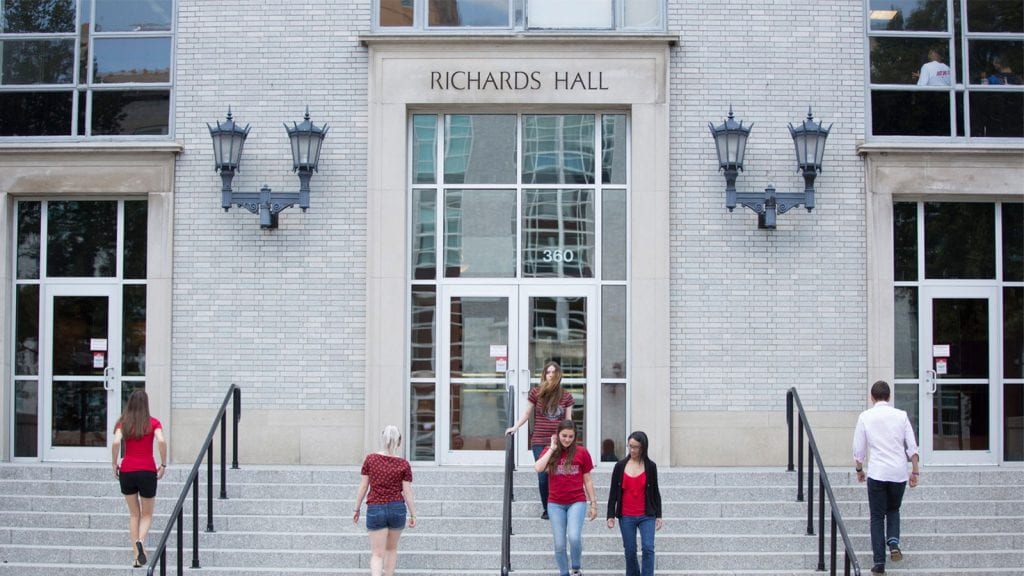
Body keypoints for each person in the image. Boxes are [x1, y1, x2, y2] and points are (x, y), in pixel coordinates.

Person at [853, 380, 920, 575]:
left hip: (878, 472)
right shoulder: (901, 416)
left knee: (876, 516)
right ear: (889, 397)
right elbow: (911, 445)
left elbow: (859, 449)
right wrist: (914, 471)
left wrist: (859, 470)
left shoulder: (866, 417)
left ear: (872, 397)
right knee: (893, 509)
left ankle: (879, 562)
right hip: (898, 472)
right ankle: (893, 542)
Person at [505, 360, 574, 519]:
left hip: (559, 442)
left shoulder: (566, 396)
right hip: (540, 441)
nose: (551, 375)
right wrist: (515, 427)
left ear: (559, 375)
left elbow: (568, 421)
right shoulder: (536, 393)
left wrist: (569, 440)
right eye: (548, 372)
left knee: (558, 475)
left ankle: (559, 506)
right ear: (544, 375)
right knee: (543, 476)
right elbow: (527, 414)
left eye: (554, 372)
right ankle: (548, 508)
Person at [111, 390, 166, 568]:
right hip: (147, 471)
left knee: (134, 514)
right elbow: (161, 441)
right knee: (147, 514)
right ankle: (140, 541)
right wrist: (163, 464)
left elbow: (116, 442)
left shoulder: (123, 423)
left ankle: (136, 557)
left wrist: (114, 463)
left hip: (127, 471)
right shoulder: (153, 422)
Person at [534, 420, 597, 576]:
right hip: (555, 504)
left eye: (571, 436)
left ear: (575, 437)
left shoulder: (582, 452)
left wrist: (593, 503)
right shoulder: (551, 451)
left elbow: (587, 479)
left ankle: (575, 567)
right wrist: (552, 449)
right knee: (559, 543)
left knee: (574, 537)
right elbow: (538, 468)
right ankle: (564, 573)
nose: (567, 439)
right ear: (557, 435)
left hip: (577, 501)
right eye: (564, 436)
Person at [353, 425, 417, 576]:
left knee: (377, 554)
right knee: (391, 549)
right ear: (399, 442)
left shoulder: (371, 459)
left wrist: (356, 509)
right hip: (397, 509)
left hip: (376, 508)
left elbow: (363, 486)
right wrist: (413, 514)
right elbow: (407, 492)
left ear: (383, 440)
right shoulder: (403, 464)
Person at [606, 431, 663, 576]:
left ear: (643, 447)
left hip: (646, 515)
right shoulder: (619, 466)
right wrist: (610, 515)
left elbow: (655, 491)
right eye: (630, 446)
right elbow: (613, 493)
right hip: (626, 516)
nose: (632, 450)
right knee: (630, 550)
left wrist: (659, 515)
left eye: (636, 447)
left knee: (648, 548)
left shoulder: (651, 466)